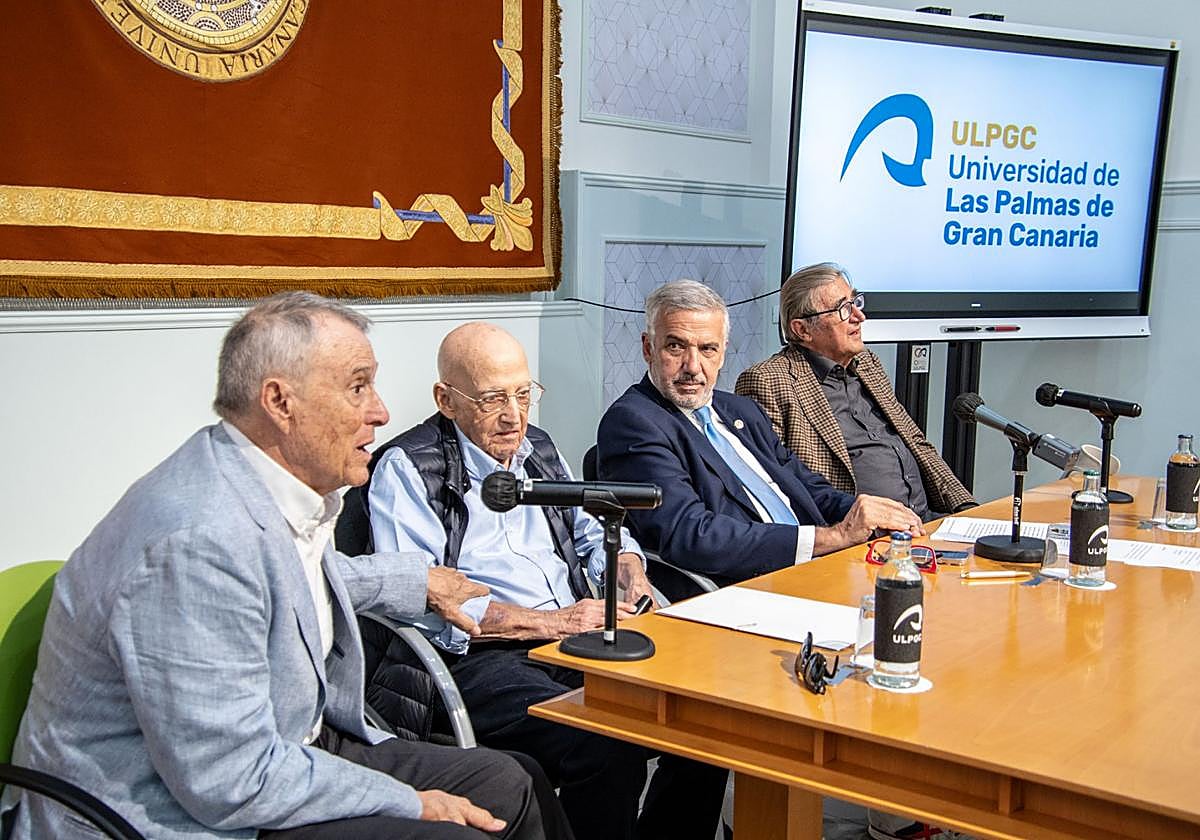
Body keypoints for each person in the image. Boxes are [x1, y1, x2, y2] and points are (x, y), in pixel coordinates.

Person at [0, 293, 568, 840]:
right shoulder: (198, 540)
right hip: (178, 811)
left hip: (288, 752)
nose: (381, 410)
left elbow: (279, 577)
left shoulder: (258, 485)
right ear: (280, 403)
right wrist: (411, 803)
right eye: (357, 387)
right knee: (458, 830)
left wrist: (416, 580)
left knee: (511, 783)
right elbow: (230, 781)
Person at [343, 321, 728, 840]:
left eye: (524, 394)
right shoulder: (408, 468)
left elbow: (595, 531)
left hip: (574, 638)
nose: (514, 416)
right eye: (493, 399)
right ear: (447, 399)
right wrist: (552, 622)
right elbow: (424, 598)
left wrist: (628, 573)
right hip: (475, 660)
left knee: (703, 717)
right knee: (602, 740)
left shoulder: (538, 449)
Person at [597, 279, 924, 592]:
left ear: (723, 352)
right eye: (675, 347)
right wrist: (831, 538)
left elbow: (807, 486)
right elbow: (690, 534)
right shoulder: (634, 422)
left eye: (708, 349)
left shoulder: (740, 411)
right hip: (753, 587)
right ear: (647, 348)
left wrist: (866, 513)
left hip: (821, 567)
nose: (693, 366)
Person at [736, 262, 974, 520]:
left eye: (855, 303)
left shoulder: (867, 363)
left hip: (926, 520)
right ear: (802, 329)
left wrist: (966, 509)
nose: (860, 317)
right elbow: (774, 480)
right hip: (858, 533)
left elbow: (916, 443)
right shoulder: (768, 381)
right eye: (843, 309)